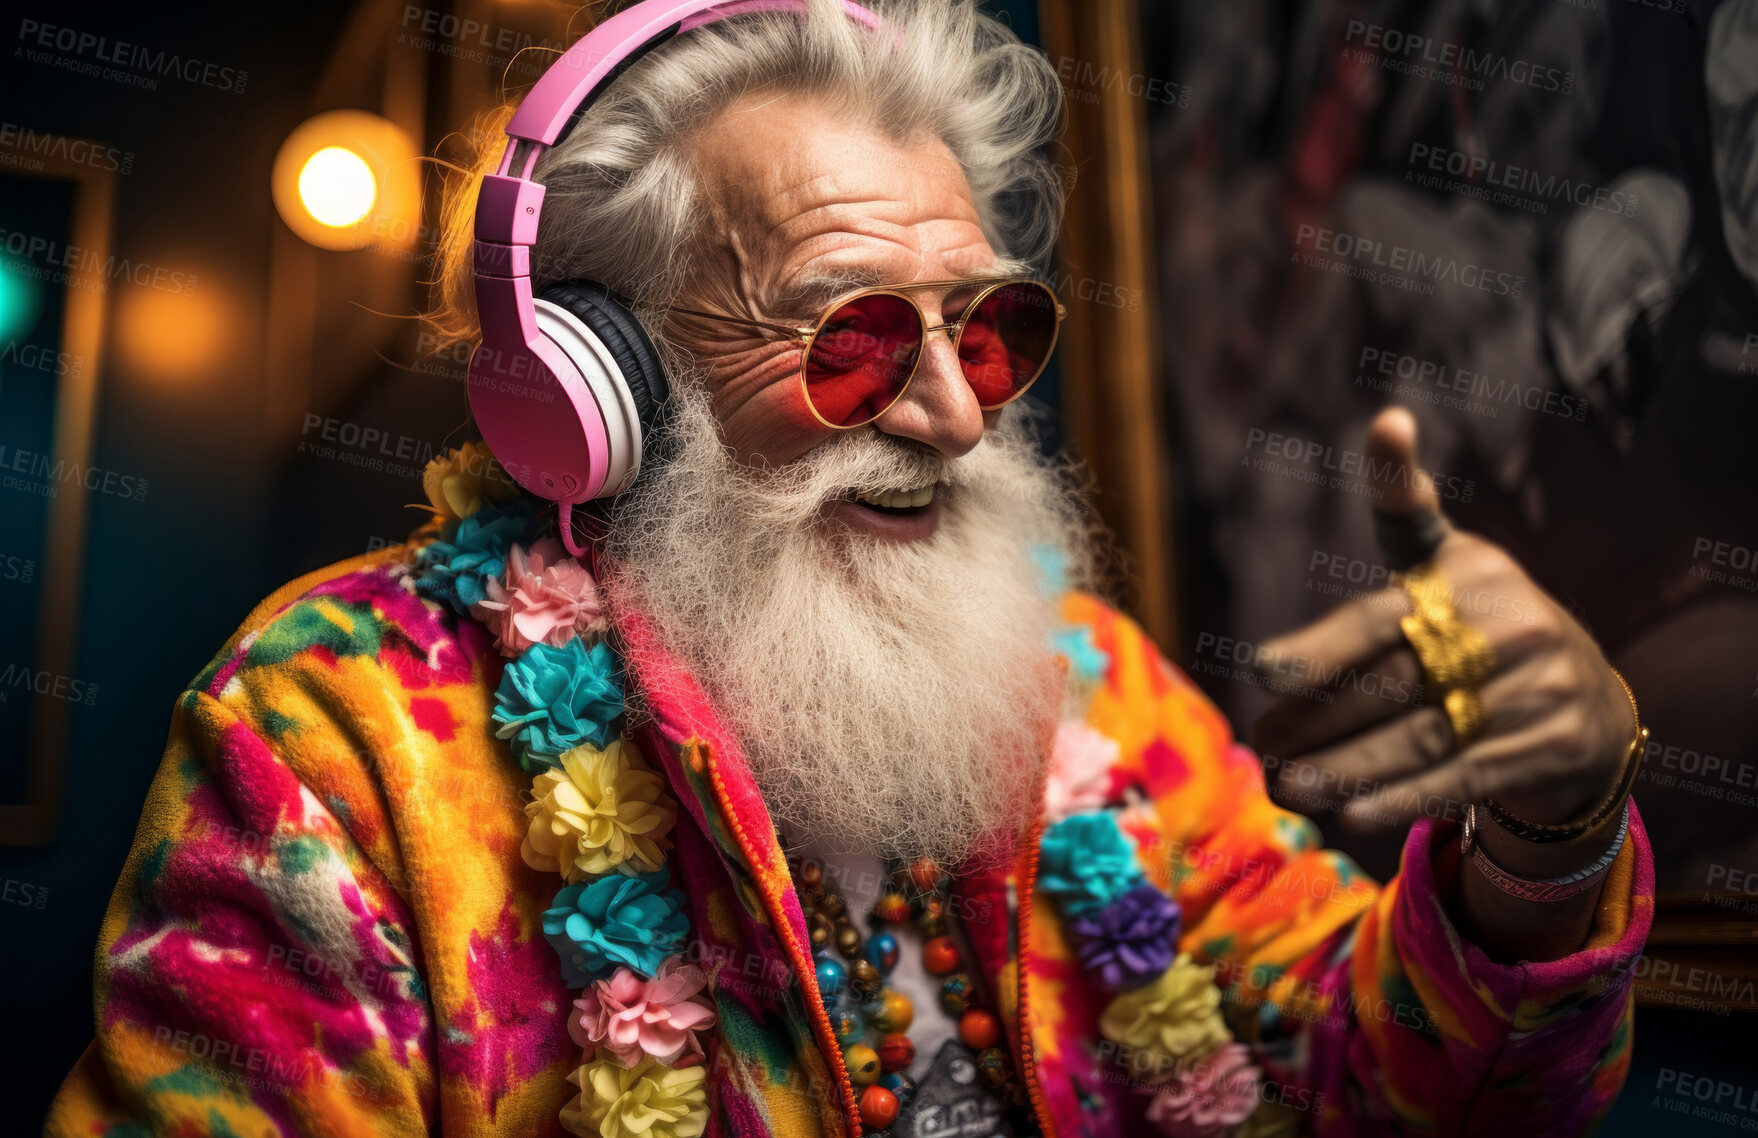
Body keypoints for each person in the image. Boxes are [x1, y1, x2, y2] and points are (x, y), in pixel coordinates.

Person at [45, 1, 1652, 1136]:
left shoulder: (1088, 680)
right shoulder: (337, 735)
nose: (953, 416)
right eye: (853, 336)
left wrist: (1545, 841)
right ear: (603, 384)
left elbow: (1368, 1093)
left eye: (991, 326)